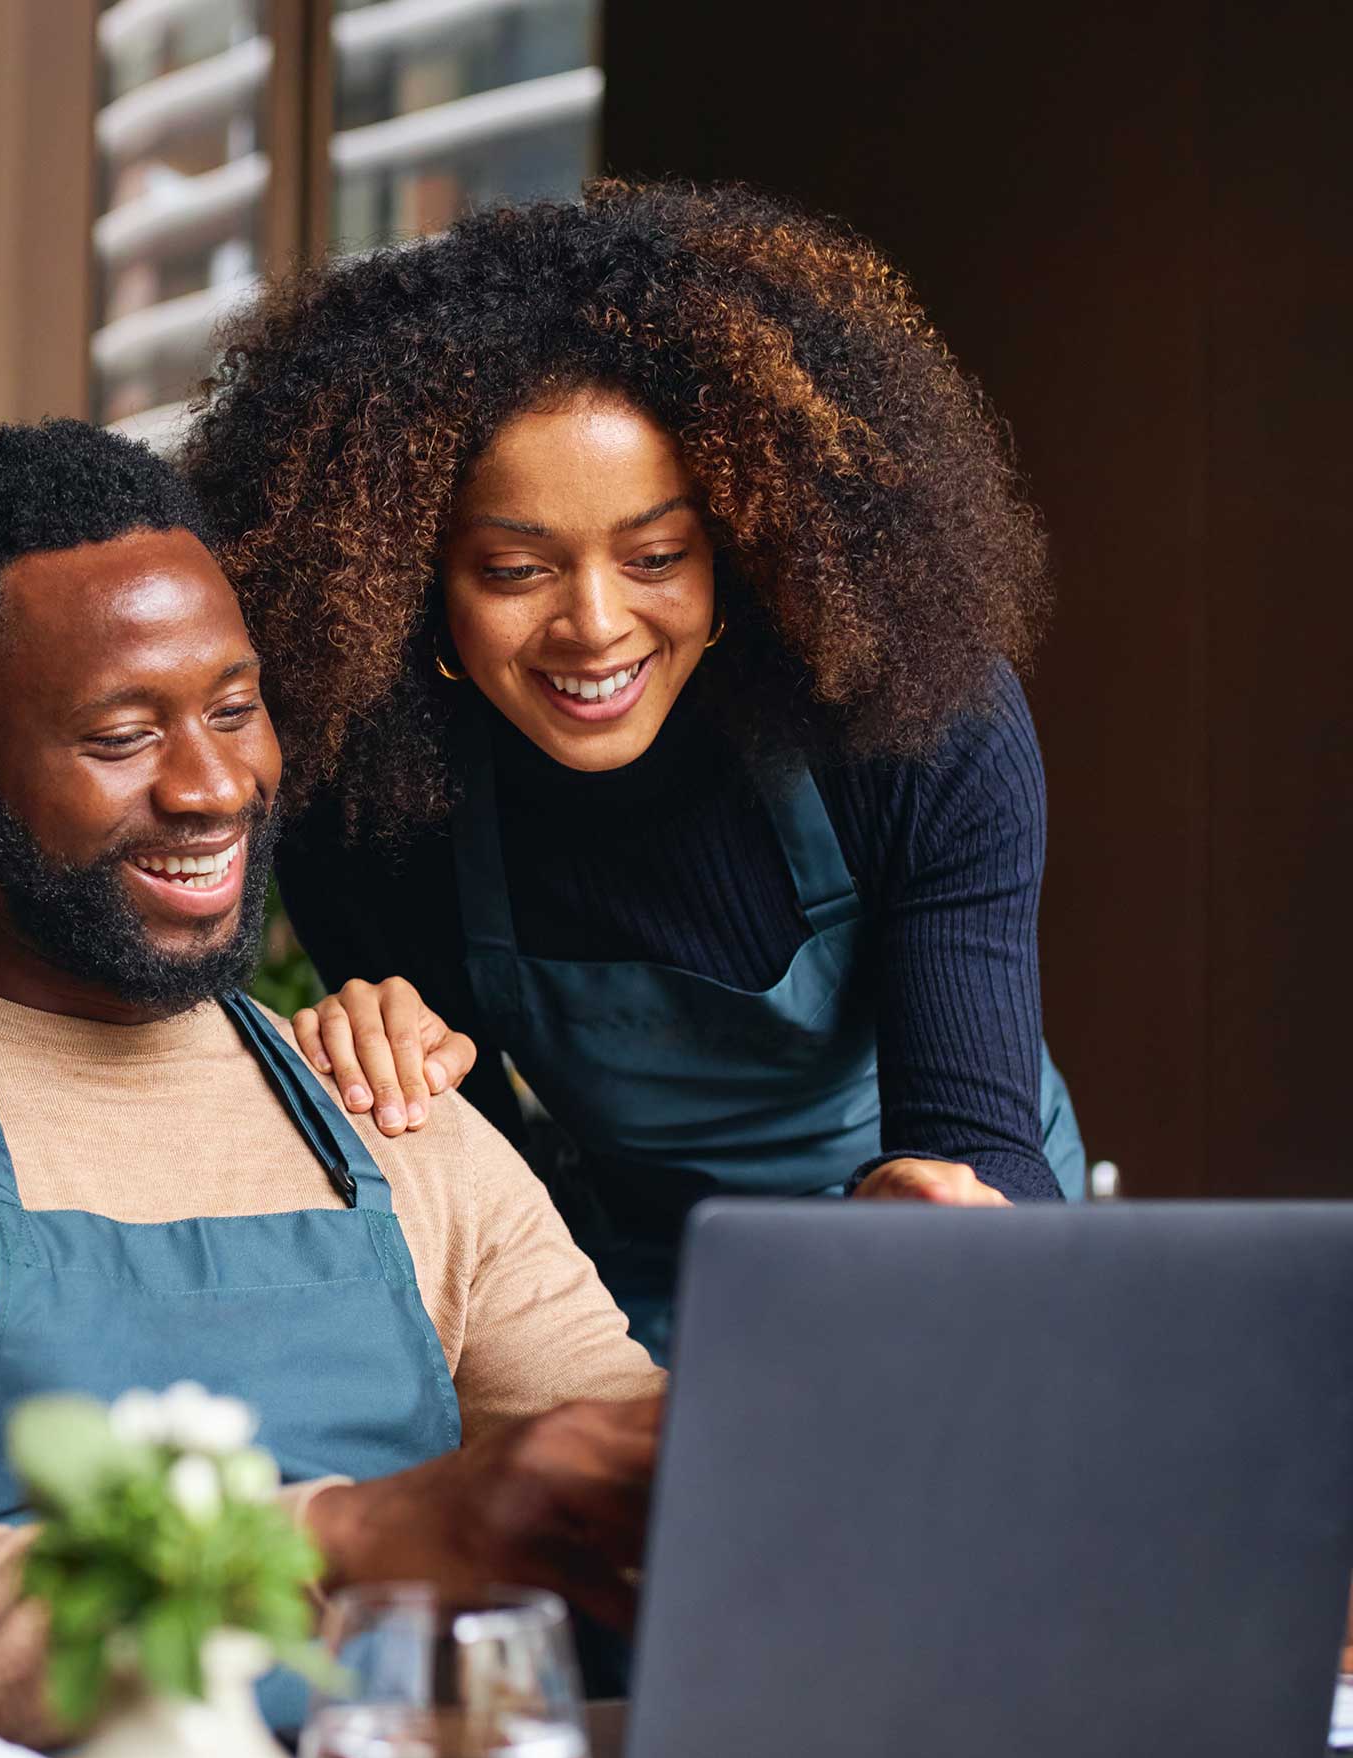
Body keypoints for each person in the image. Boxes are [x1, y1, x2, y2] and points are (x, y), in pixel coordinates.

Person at [0, 419, 662, 1745]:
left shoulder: (388, 1099)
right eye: (124, 735)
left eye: (235, 709)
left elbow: (628, 1473)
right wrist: (357, 1534)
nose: (212, 786)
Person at [183, 179, 1086, 1359]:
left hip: (943, 1245)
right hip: (641, 1279)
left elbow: (979, 1138)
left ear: (741, 545)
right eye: (514, 571)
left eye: (656, 553)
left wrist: (939, 1213)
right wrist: (384, 1076)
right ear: (410, 586)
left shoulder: (913, 723)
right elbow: (487, 1207)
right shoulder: (370, 801)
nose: (596, 626)